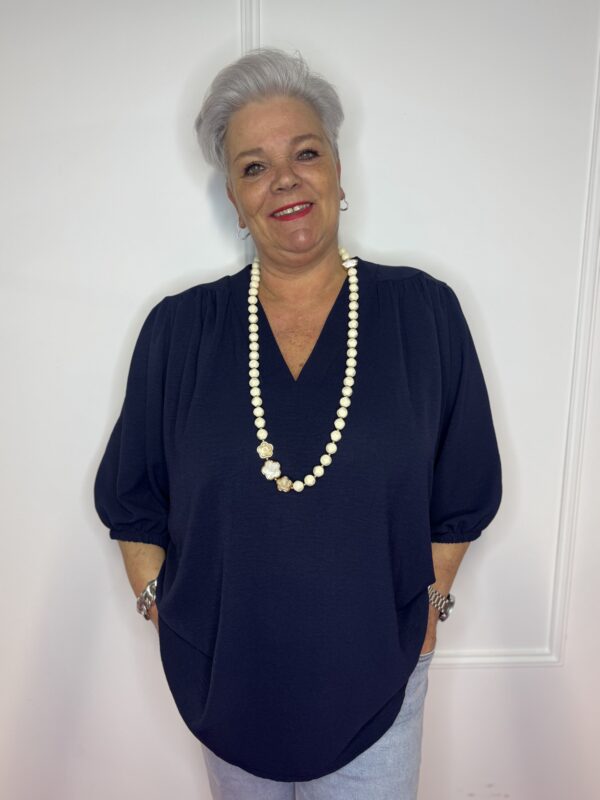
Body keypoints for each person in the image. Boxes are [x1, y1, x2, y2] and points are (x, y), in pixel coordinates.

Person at [94, 48, 502, 799]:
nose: (284, 178)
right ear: (234, 196)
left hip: (379, 679)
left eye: (305, 153)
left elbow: (464, 485)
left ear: (338, 171)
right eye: (255, 166)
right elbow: (133, 500)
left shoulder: (423, 314)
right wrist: (161, 610)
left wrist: (429, 608)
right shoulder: (180, 332)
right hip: (225, 684)